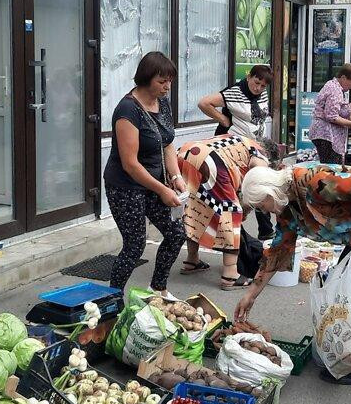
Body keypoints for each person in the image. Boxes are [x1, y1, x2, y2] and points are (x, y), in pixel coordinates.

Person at [234, 163, 351, 386]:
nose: (263, 211)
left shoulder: (314, 184)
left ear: (269, 192)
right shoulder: (288, 207)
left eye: (261, 204)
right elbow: (278, 250)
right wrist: (252, 294)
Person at [104, 51, 186, 294]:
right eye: (162, 82)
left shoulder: (163, 103)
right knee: (134, 245)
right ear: (146, 79)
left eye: (169, 81)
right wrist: (162, 190)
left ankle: (157, 289)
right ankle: (113, 299)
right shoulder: (127, 110)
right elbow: (130, 164)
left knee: (176, 234)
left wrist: (176, 176)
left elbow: (167, 142)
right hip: (125, 187)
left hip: (154, 183)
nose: (167, 87)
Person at [177, 135, 272, 290]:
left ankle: (192, 260)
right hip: (209, 161)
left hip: (183, 153)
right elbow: (257, 177)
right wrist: (246, 209)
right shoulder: (260, 152)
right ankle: (230, 274)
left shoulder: (240, 141)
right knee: (231, 212)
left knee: (193, 208)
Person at [197, 64, 275, 237]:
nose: (259, 88)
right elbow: (204, 103)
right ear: (249, 77)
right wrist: (224, 120)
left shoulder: (262, 94)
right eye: (256, 82)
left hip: (254, 145)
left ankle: (265, 229)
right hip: (232, 145)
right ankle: (234, 232)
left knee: (260, 181)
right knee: (239, 185)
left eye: (263, 86)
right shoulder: (234, 92)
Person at [308, 64, 351, 164]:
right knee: (332, 169)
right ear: (343, 77)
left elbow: (338, 112)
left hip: (326, 134)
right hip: (327, 135)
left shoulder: (334, 86)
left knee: (331, 167)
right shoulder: (334, 90)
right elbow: (331, 116)